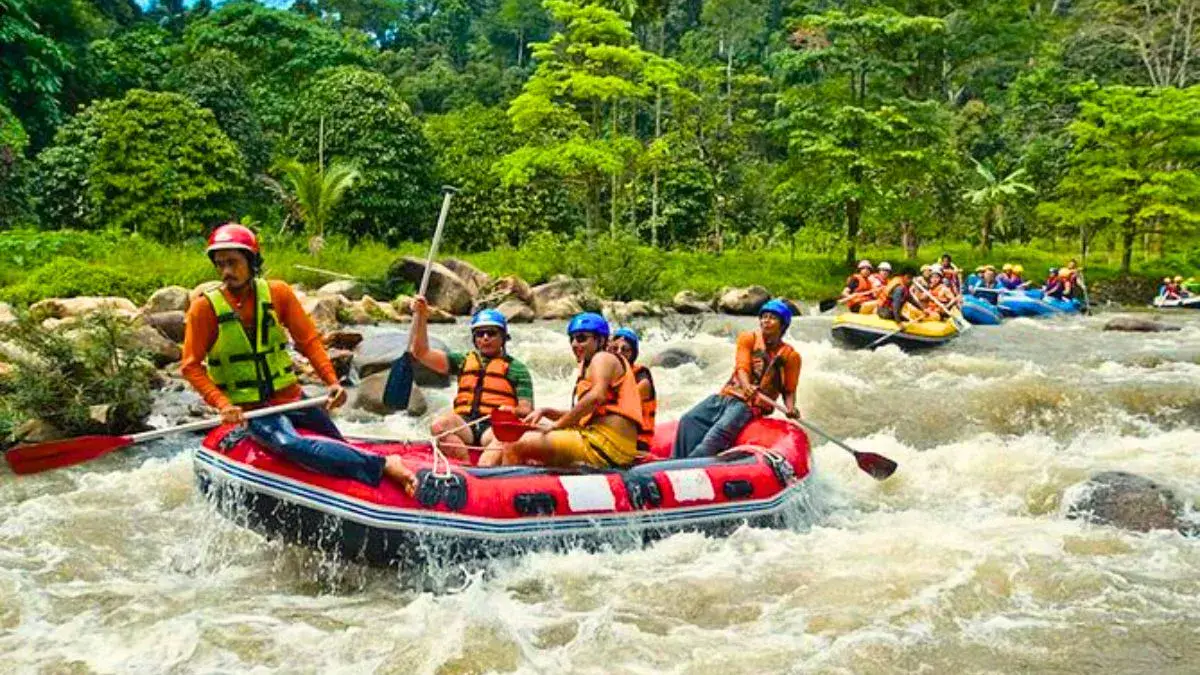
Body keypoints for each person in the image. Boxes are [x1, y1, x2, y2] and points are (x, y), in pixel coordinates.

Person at [181, 223, 416, 493]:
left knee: (334, 441)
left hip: (291, 397)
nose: (226, 272)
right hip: (253, 409)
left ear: (252, 261)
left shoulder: (278, 293)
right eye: (220, 265)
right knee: (289, 444)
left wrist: (332, 381)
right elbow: (190, 366)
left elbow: (309, 342)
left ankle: (378, 476)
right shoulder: (204, 309)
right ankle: (384, 463)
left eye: (233, 263)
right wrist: (222, 404)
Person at [479, 313, 642, 469]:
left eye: (582, 338)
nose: (575, 345)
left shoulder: (603, 358)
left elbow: (596, 397)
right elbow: (585, 413)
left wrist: (557, 425)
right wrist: (547, 411)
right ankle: (490, 473)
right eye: (572, 339)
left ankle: (508, 492)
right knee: (523, 432)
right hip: (599, 441)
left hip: (606, 445)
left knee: (514, 444)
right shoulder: (592, 364)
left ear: (600, 340)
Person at [409, 297, 535, 460]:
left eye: (491, 333)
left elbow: (527, 410)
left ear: (503, 337)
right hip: (465, 424)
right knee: (439, 425)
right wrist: (421, 317)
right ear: (474, 339)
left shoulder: (517, 369)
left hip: (493, 428)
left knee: (503, 438)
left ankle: (484, 470)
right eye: (480, 334)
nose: (485, 338)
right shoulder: (462, 360)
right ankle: (465, 466)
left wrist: (512, 411)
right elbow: (421, 353)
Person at [673, 300, 801, 459]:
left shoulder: (791, 356)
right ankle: (676, 461)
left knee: (717, 434)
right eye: (764, 317)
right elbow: (742, 367)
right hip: (725, 396)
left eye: (772, 318)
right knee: (688, 419)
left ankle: (690, 465)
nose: (766, 321)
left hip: (749, 406)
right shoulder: (748, 339)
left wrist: (790, 408)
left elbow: (789, 389)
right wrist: (746, 385)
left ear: (782, 325)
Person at [608, 327, 657, 456]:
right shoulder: (608, 374)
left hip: (638, 442)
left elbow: (622, 405)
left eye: (625, 350)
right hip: (613, 435)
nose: (619, 353)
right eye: (614, 349)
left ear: (633, 354)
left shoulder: (642, 377)